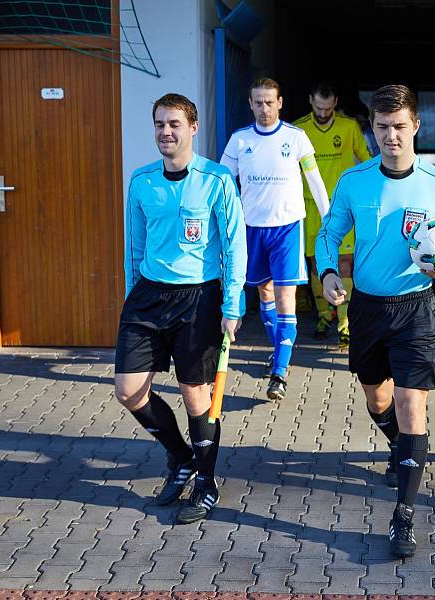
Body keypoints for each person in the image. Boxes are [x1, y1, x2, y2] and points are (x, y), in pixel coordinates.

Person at [316, 84, 435, 557]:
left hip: (416, 309)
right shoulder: (354, 181)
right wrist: (328, 273)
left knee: (412, 405)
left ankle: (403, 517)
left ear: (416, 127)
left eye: (399, 127)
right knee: (378, 398)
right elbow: (329, 234)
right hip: (367, 308)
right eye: (382, 127)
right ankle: (398, 446)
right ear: (372, 127)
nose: (391, 136)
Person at [114, 93, 247, 524]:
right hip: (149, 298)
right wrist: (134, 295)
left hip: (199, 299)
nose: (165, 132)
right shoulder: (141, 180)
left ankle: (206, 484)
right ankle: (181, 457)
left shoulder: (217, 179)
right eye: (158, 124)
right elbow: (134, 246)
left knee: (197, 397)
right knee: (129, 390)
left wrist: (232, 303)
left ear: (192, 127)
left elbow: (234, 246)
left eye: (173, 124)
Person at [221, 78, 329, 401]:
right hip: (251, 229)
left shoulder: (296, 138)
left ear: (280, 103)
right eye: (258, 102)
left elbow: (315, 181)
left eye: (270, 102)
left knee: (285, 299)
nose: (264, 108)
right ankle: (278, 351)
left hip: (287, 229)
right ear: (250, 104)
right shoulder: (240, 140)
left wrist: (328, 222)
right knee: (264, 293)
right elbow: (223, 184)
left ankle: (279, 371)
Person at [294, 82, 373, 347]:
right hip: (310, 206)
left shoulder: (349, 126)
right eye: (318, 108)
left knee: (345, 263)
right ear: (311, 101)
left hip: (342, 205)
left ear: (335, 102)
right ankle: (323, 316)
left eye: (328, 109)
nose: (323, 113)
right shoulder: (299, 129)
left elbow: (367, 159)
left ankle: (345, 323)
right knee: (317, 264)